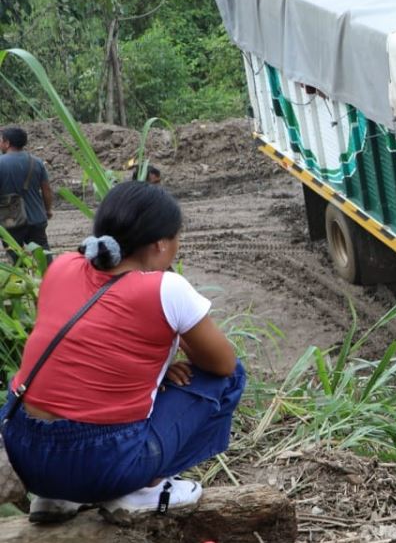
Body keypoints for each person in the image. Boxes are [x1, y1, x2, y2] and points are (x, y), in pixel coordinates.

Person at [6, 182, 245, 524]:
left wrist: (159, 372)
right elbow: (222, 363)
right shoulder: (166, 288)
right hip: (101, 461)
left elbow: (89, 352)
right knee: (231, 377)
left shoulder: (62, 266)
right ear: (161, 244)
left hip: (25, 450)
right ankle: (144, 490)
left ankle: (57, 496)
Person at [0, 126, 53, 254]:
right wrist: (48, 210)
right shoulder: (36, 162)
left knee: (17, 258)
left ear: (7, 143)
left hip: (10, 221)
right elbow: (46, 190)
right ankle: (49, 274)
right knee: (43, 255)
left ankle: (21, 273)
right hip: (36, 218)